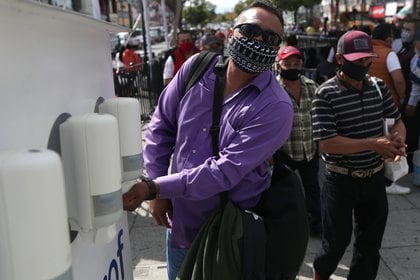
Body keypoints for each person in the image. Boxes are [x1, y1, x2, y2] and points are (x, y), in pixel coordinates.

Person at [123, 1, 293, 279]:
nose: (259, 40)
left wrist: (155, 189)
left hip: (226, 232)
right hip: (179, 224)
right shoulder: (196, 68)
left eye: (270, 38)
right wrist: (159, 189)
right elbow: (161, 125)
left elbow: (224, 171)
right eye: (250, 30)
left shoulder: (275, 106)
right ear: (230, 34)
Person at [311, 30, 406, 280]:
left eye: (367, 59)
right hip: (340, 181)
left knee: (370, 244)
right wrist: (373, 144)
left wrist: (397, 140)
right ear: (340, 59)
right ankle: (320, 274)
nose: (364, 64)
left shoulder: (378, 86)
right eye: (357, 59)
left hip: (374, 179)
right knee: (335, 244)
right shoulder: (325, 94)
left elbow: (397, 121)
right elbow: (328, 144)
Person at [276, 45, 322, 237]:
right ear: (279, 66)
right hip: (284, 152)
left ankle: (316, 226)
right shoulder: (273, 90)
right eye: (288, 63)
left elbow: (320, 115)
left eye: (296, 63)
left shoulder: (312, 86)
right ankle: (287, 227)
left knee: (313, 190)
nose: (293, 67)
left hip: (309, 149)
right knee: (285, 193)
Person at [369, 23, 406, 109]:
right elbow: (398, 80)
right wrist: (402, 97)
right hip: (387, 102)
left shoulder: (366, 51)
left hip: (368, 100)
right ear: (388, 39)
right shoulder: (389, 54)